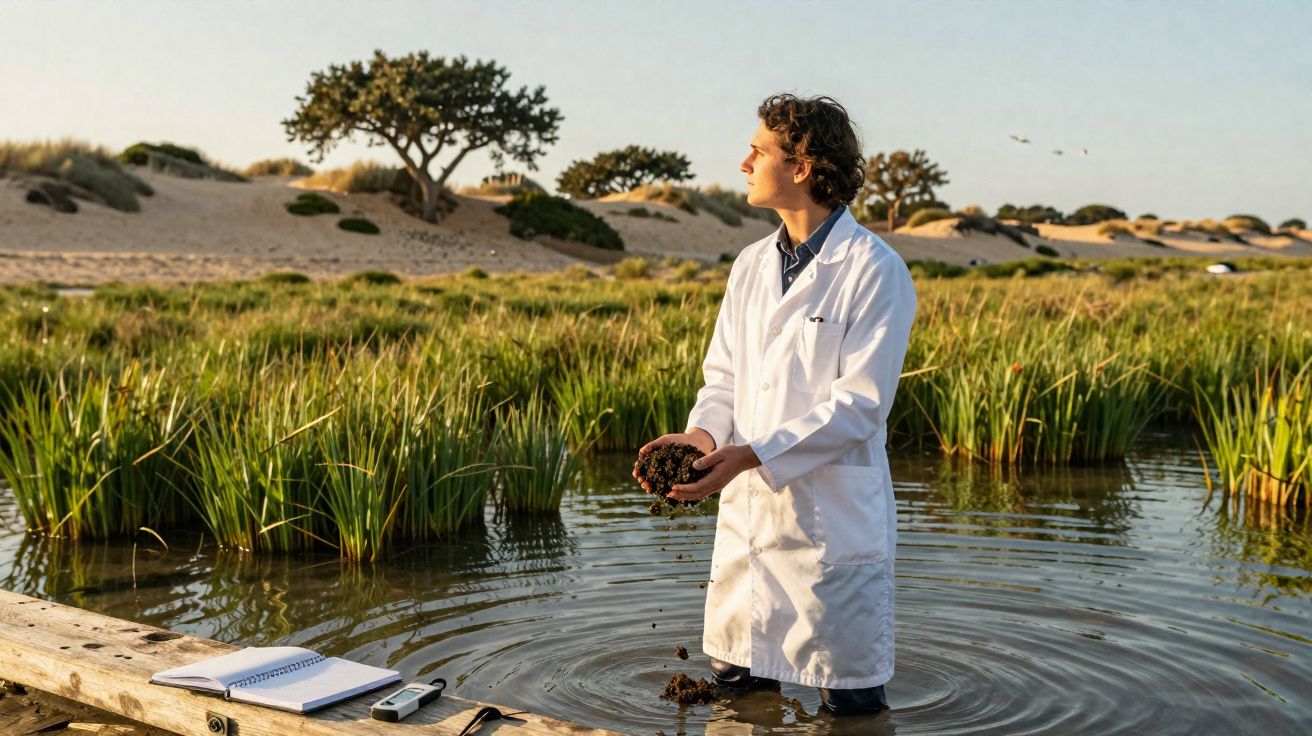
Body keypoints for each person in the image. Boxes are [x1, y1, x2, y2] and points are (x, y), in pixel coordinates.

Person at [633, 93, 918, 716]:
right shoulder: (751, 266)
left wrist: (752, 455)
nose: (743, 162)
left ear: (803, 166)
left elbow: (861, 405)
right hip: (749, 523)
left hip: (829, 528)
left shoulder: (874, 269)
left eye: (758, 150)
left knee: (850, 706)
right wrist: (701, 441)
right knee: (736, 693)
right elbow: (724, 378)